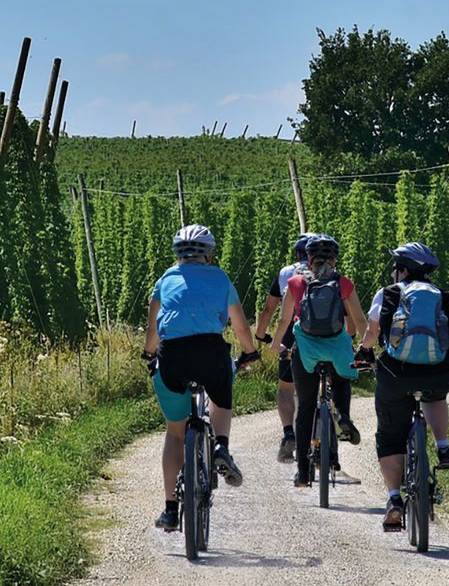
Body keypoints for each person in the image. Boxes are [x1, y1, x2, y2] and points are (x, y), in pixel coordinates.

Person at [144, 223, 260, 533]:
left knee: (174, 432)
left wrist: (148, 354)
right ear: (209, 254)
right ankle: (221, 446)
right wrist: (249, 353)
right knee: (221, 393)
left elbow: (152, 332)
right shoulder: (220, 278)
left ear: (177, 255)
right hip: (210, 353)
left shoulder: (164, 280)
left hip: (172, 358)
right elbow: (240, 328)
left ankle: (170, 510)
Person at [357, 241, 449, 533]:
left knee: (390, 435)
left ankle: (393, 501)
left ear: (403, 270)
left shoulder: (388, 293)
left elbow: (373, 331)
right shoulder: (442, 296)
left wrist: (364, 352)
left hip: (396, 373)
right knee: (436, 394)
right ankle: (443, 447)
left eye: (396, 267)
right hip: (436, 373)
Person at [270, 234, 363, 487]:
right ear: (335, 259)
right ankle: (343, 415)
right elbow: (360, 321)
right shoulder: (343, 283)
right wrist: (366, 348)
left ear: (308, 259)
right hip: (337, 348)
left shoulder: (296, 283)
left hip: (306, 351)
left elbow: (284, 321)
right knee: (342, 378)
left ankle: (302, 473)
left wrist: (276, 343)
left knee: (306, 409)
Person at [252, 232, 317, 464]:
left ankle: (289, 433)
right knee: (324, 382)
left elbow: (270, 309)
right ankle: (327, 431)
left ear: (297, 253)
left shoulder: (286, 273)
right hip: (326, 337)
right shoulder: (330, 273)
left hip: (292, 333)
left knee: (286, 388)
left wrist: (261, 334)